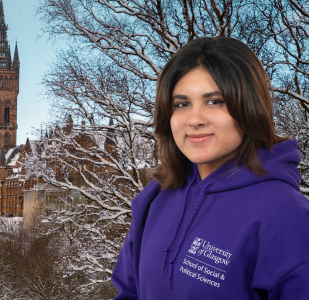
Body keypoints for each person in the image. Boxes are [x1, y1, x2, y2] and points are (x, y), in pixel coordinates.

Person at [111, 37, 309, 299]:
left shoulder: (286, 215)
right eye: (182, 104)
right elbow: (129, 292)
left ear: (249, 106)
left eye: (214, 101)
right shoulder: (155, 196)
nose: (195, 119)